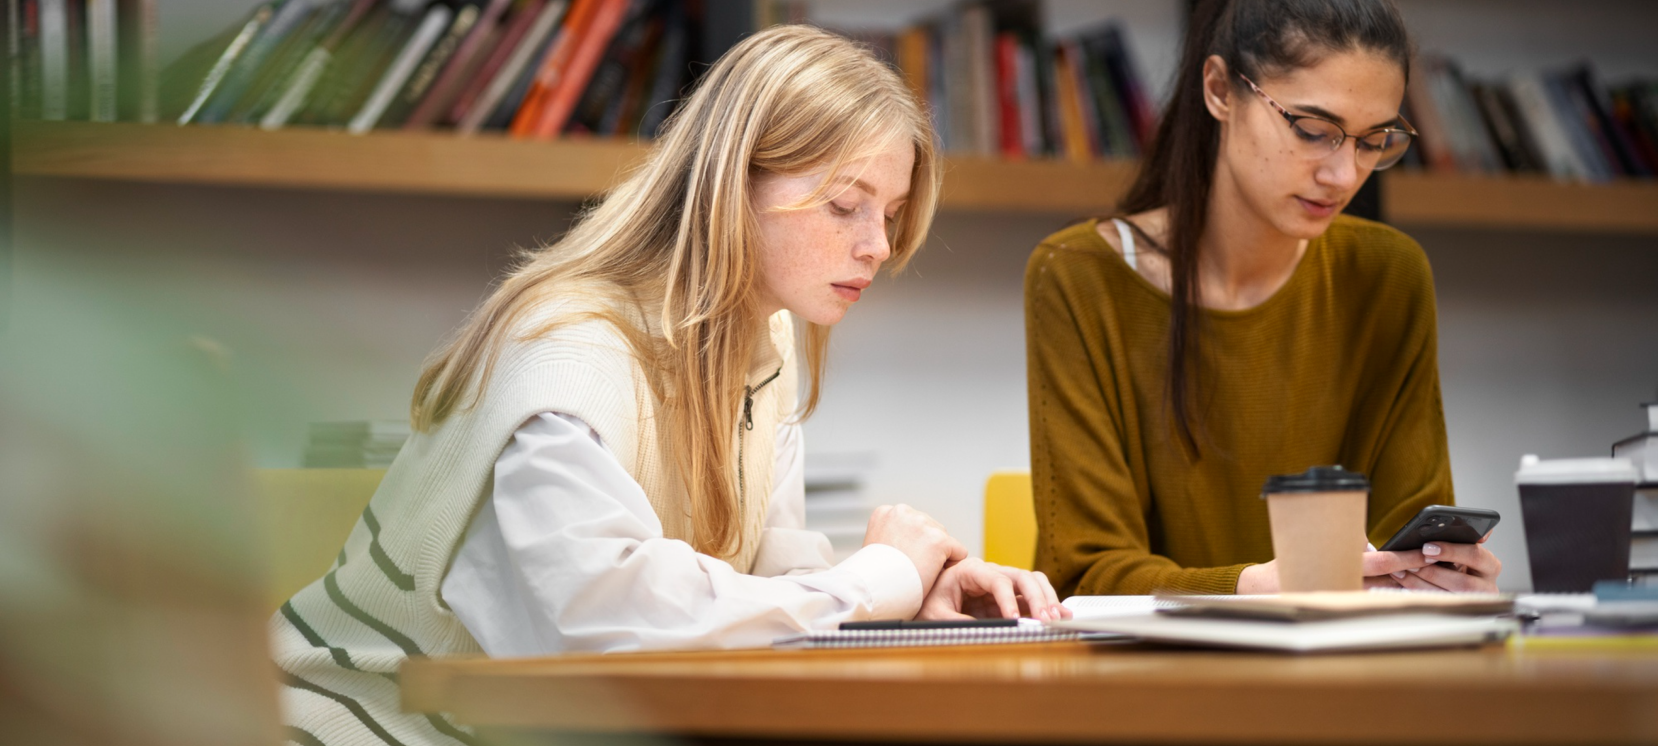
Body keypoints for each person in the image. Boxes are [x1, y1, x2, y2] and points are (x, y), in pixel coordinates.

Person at [273, 25, 1067, 746]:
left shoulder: (766, 341)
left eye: (889, 214)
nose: (878, 246)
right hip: (365, 727)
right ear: (732, 184)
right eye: (845, 205)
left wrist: (908, 603)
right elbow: (601, 619)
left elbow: (762, 588)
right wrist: (870, 583)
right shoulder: (568, 350)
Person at [1024, 0, 1503, 597]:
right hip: (1148, 679)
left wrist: (1440, 573)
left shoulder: (1390, 275)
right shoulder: (1079, 276)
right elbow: (1085, 575)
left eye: (1373, 141)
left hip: (1342, 673)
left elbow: (1403, 535)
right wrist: (1266, 586)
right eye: (1313, 130)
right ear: (1221, 89)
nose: (1343, 175)